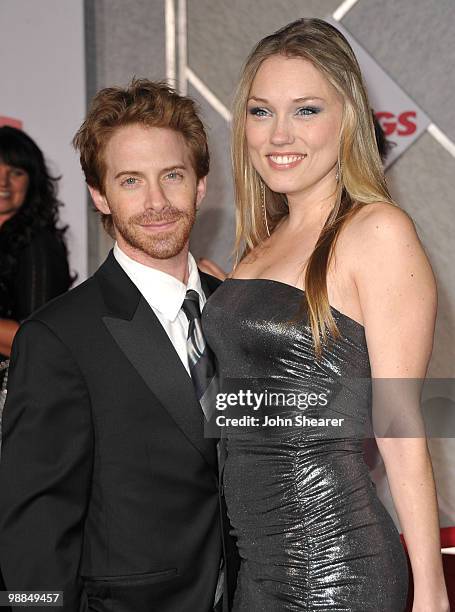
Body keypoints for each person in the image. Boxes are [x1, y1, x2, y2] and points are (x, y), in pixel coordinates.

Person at [202, 19, 449, 611]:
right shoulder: (258, 244)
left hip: (335, 570)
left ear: (349, 121)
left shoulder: (377, 232)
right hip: (255, 567)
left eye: (306, 110)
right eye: (262, 112)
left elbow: (397, 421)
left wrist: (432, 593)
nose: (279, 135)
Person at [0, 79, 238, 612]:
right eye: (131, 181)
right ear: (100, 194)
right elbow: (33, 528)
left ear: (200, 184)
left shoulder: (237, 313)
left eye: (172, 176)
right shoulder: (57, 338)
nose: (156, 202)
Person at [0, 127, 72, 359]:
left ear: (32, 182)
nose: (3, 182)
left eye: (16, 172)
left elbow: (38, 341)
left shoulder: (38, 245)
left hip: (16, 391)